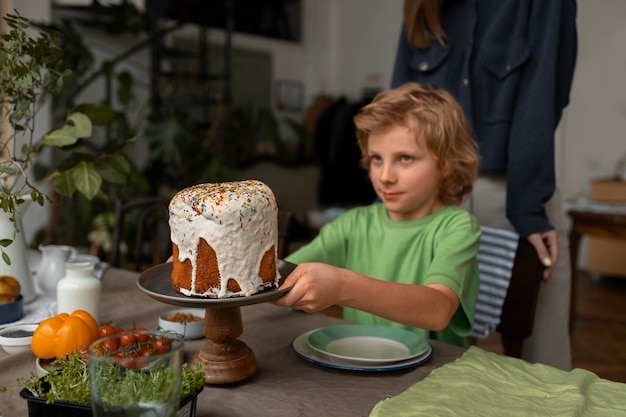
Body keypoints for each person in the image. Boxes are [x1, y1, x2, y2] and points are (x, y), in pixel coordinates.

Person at [390, 0, 577, 370]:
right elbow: (401, 105)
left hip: (510, 188)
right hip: (434, 195)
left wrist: (527, 207)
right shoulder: (422, 5)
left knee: (544, 359)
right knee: (428, 357)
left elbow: (542, 93)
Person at [274, 82, 481, 347]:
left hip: (435, 376)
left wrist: (342, 286)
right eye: (376, 159)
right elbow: (281, 277)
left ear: (447, 165)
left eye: (405, 158)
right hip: (358, 365)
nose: (385, 177)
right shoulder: (353, 224)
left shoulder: (457, 227)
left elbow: (438, 310)